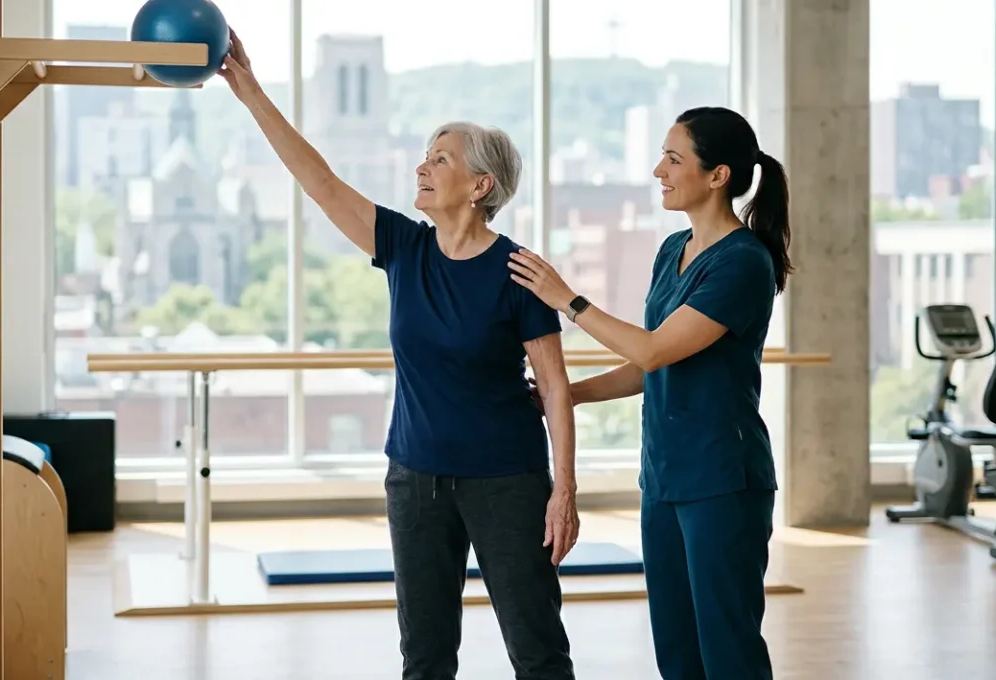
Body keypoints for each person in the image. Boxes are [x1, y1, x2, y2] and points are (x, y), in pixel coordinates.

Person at [220, 30, 580, 680]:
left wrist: (565, 491)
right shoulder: (404, 249)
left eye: (440, 159)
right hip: (415, 482)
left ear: (480, 185)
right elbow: (319, 180)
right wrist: (248, 90)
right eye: (425, 155)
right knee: (424, 658)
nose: (422, 167)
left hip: (508, 483)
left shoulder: (520, 271)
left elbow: (555, 387)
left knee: (538, 652)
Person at [508, 106, 790, 680]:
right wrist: (566, 396)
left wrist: (569, 299)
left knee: (727, 650)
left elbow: (653, 349)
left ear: (718, 176)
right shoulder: (672, 251)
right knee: (678, 654)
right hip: (663, 480)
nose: (658, 169)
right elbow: (649, 367)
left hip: (722, 482)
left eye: (673, 158)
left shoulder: (743, 263)